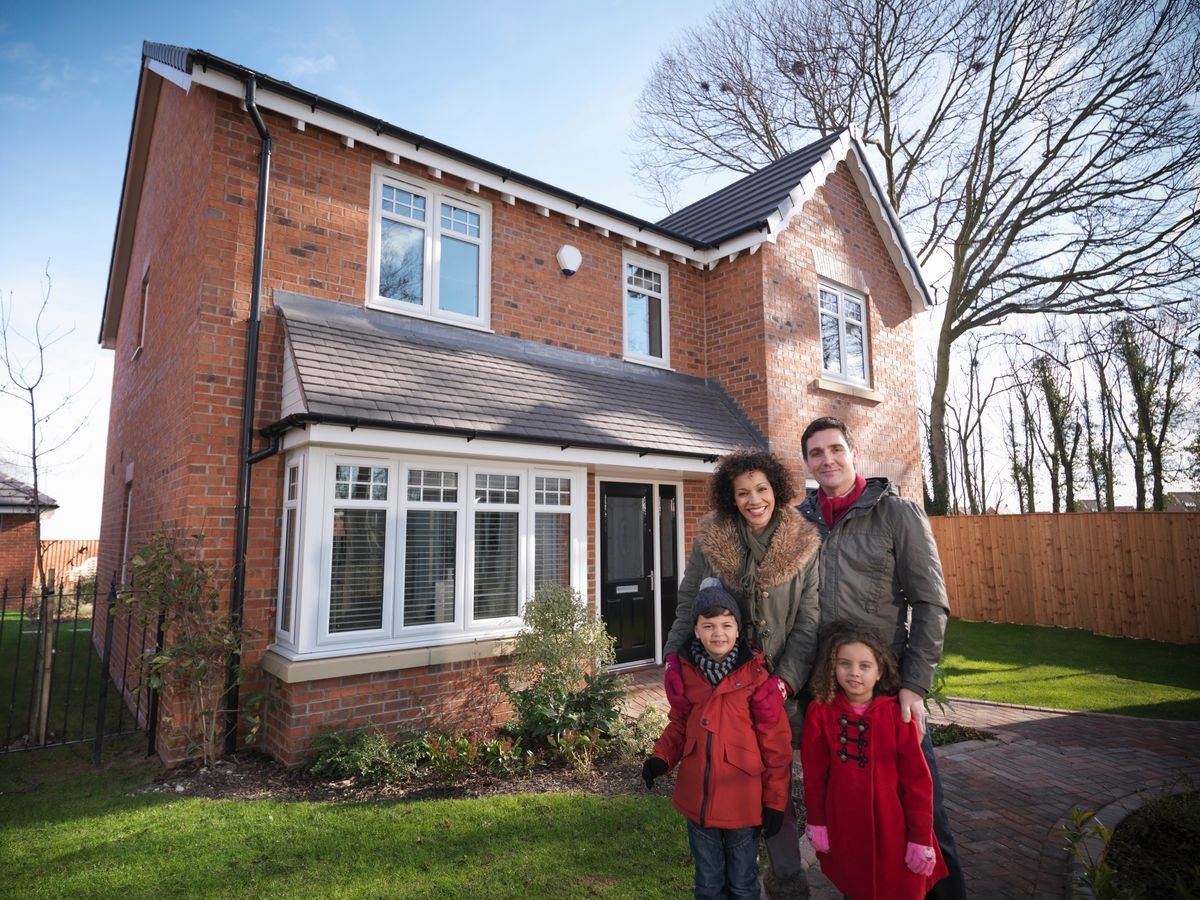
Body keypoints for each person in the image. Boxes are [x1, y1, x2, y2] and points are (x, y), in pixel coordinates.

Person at [796, 416, 966, 899]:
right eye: (815, 453)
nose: (827, 460)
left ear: (853, 453)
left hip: (888, 691)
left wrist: (914, 683)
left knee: (924, 816)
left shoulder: (897, 514)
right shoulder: (799, 522)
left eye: (835, 449)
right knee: (851, 817)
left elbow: (930, 602)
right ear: (806, 462)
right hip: (826, 692)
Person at [662, 448, 822, 897]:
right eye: (743, 493)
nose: (754, 500)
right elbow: (688, 601)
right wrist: (674, 657)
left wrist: (784, 680)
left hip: (774, 691)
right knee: (725, 776)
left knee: (775, 786)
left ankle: (786, 882)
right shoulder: (711, 539)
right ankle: (726, 877)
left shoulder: (805, 544)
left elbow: (809, 623)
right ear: (731, 498)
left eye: (762, 490)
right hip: (717, 690)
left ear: (777, 490)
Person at [643, 577, 794, 899]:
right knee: (708, 884)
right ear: (695, 630)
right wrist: (661, 758)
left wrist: (775, 802)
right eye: (708, 626)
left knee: (742, 884)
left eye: (726, 625)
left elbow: (777, 748)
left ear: (739, 630)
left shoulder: (756, 679)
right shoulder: (687, 674)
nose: (718, 634)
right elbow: (680, 725)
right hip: (698, 802)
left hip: (743, 804)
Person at [800, 620, 948, 900]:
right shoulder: (820, 713)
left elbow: (917, 781)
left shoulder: (896, 716)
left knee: (896, 887)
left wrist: (919, 837)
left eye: (864, 666)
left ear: (880, 671)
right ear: (832, 666)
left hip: (893, 825)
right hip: (844, 823)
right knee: (856, 887)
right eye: (844, 663)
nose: (854, 673)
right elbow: (815, 774)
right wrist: (818, 822)